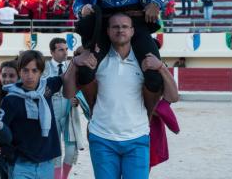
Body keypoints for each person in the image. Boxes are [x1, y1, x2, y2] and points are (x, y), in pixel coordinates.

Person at [63, 13, 179, 179]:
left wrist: (161, 67)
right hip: (102, 139)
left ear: (132, 31)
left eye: (125, 26)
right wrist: (74, 62)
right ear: (108, 31)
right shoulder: (96, 60)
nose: (120, 30)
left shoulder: (145, 61)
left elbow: (173, 97)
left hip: (137, 139)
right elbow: (68, 93)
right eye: (115, 27)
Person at [0, 50, 63, 179]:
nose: (30, 75)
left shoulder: (47, 87)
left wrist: (77, 59)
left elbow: (65, 77)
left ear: (41, 72)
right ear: (19, 71)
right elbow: (1, 130)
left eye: (34, 71)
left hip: (46, 163)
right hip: (21, 165)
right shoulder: (10, 99)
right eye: (25, 70)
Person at [45, 38, 83, 179]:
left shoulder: (72, 67)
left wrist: (77, 98)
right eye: (61, 49)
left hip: (69, 112)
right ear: (52, 52)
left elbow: (80, 89)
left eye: (66, 49)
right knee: (54, 149)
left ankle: (64, 177)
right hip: (50, 113)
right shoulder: (44, 68)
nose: (65, 52)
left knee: (71, 149)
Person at [0, 60, 19, 179]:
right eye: (4, 75)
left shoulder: (26, 97)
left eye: (12, 76)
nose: (7, 79)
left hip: (20, 155)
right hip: (2, 154)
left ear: (19, 76)